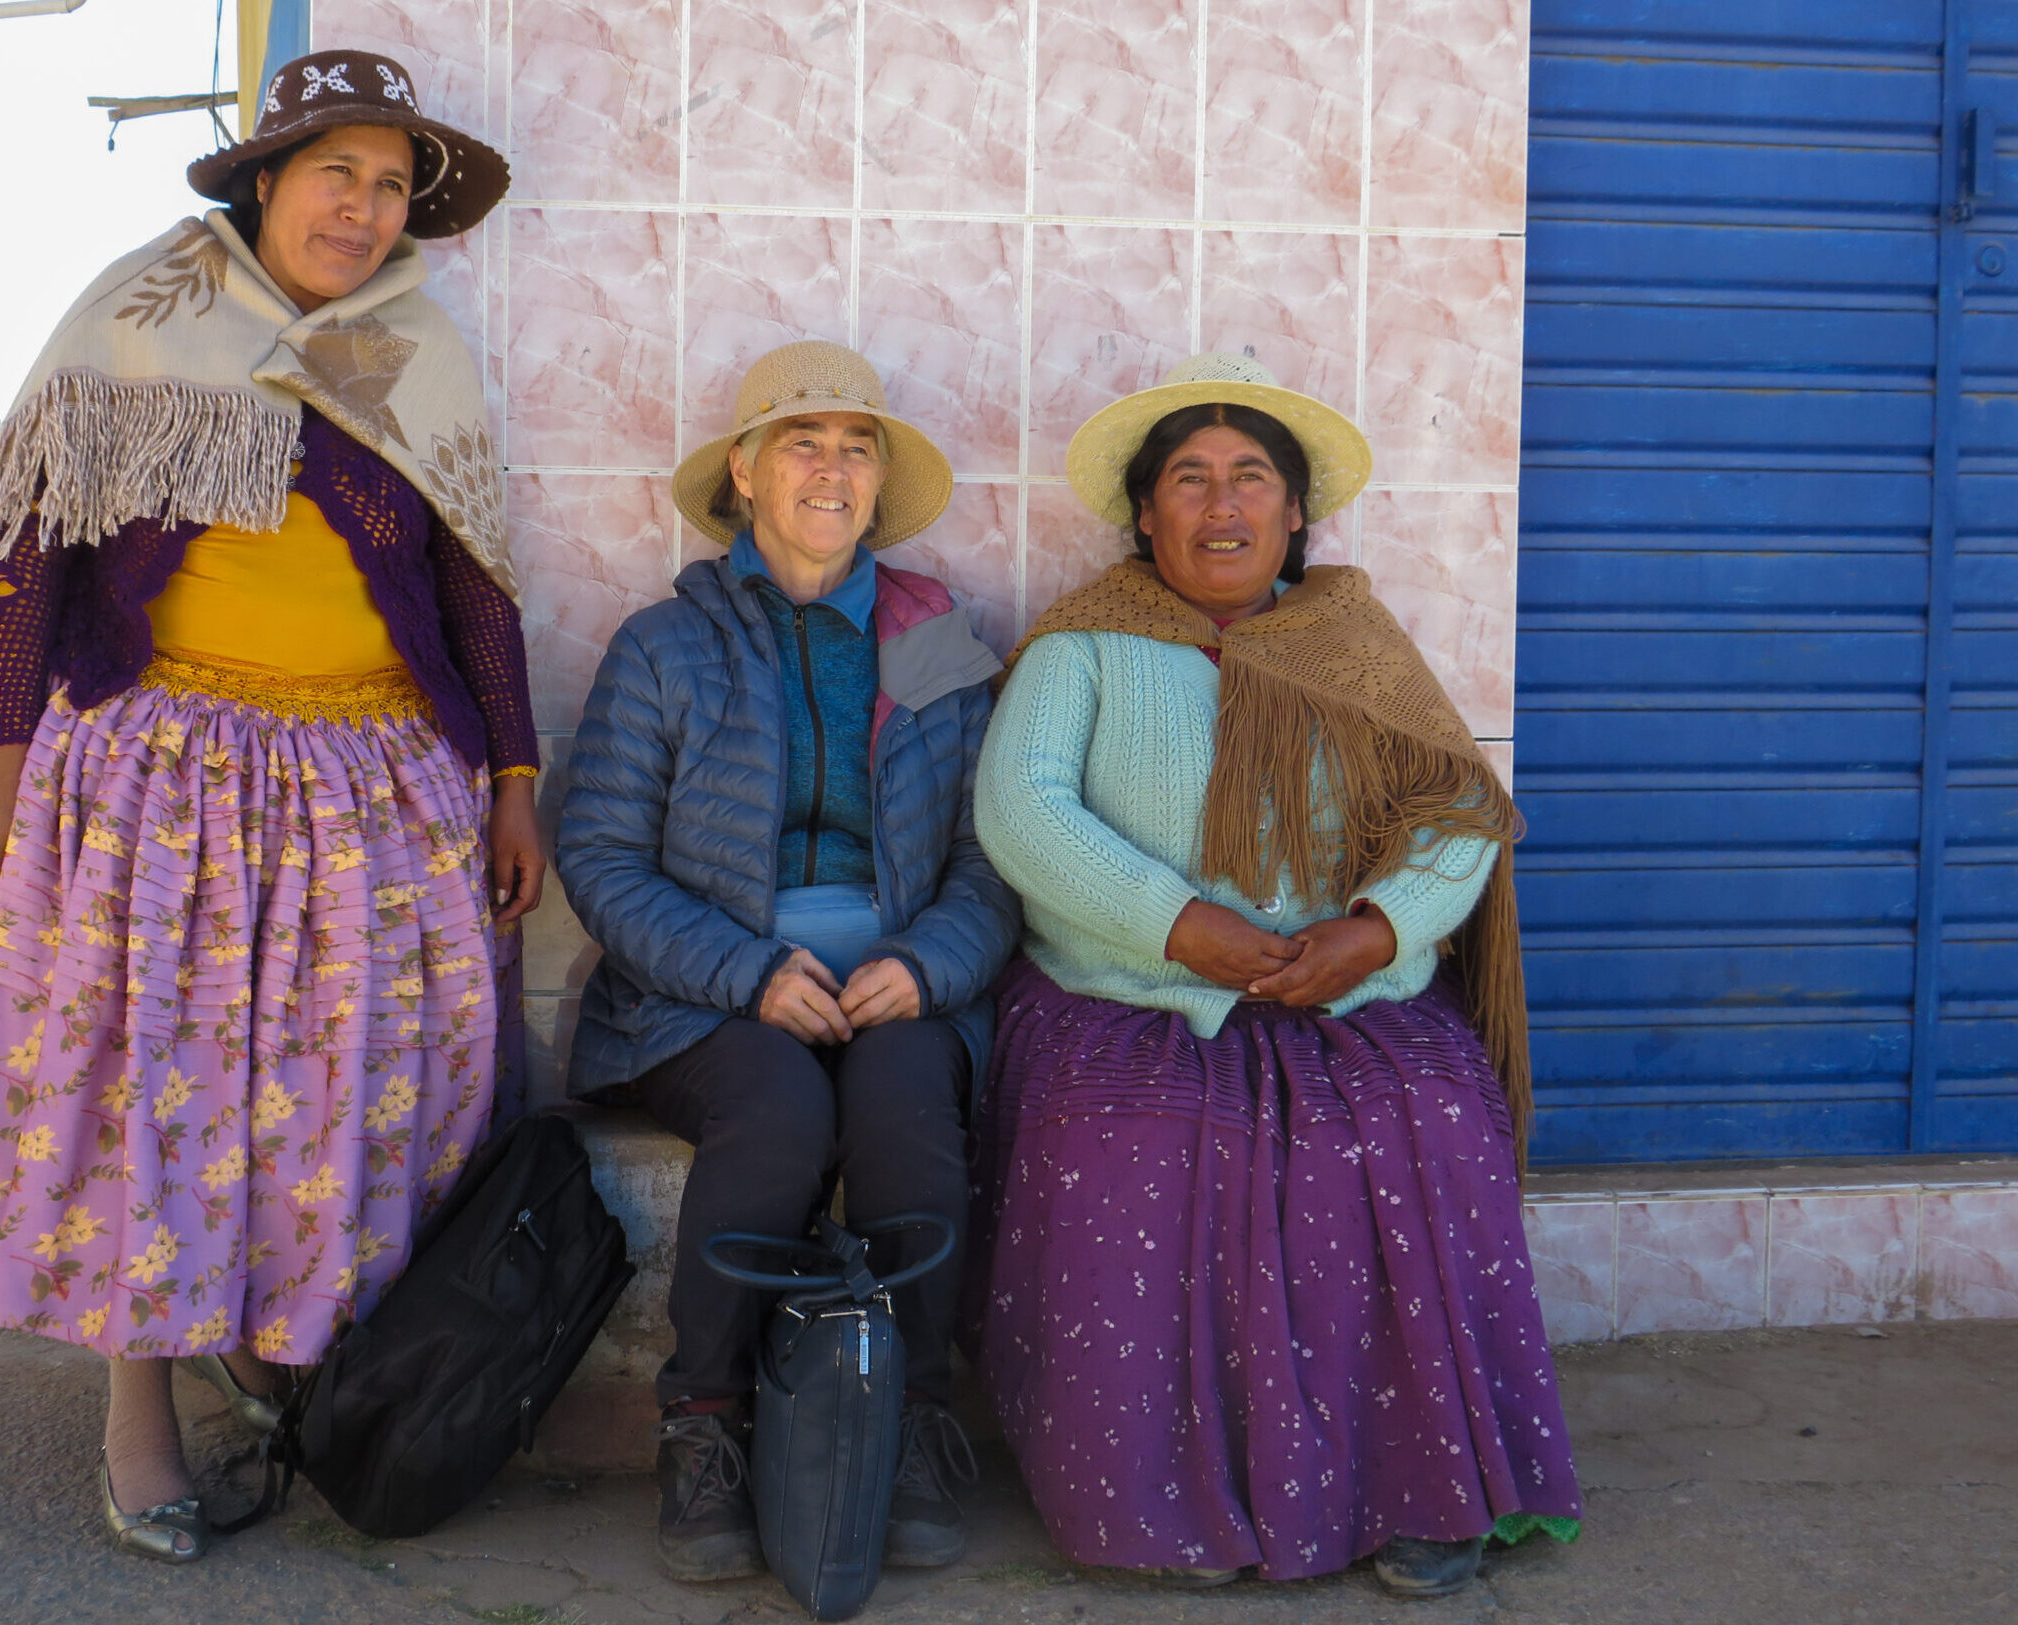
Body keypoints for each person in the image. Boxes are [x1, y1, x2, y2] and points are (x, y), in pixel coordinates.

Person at [0, 50, 541, 1566]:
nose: (364, 212)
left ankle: (285, 1345)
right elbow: (25, 544)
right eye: (339, 176)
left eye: (391, 189)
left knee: (340, 1091)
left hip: (374, 787)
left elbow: (476, 583)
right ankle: (139, 1417)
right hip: (158, 780)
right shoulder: (139, 318)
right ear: (266, 177)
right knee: (146, 1094)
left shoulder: (413, 349)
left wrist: (513, 778)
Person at [969, 353, 1582, 1597]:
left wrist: (1376, 928)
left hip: (1337, 985)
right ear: (1144, 514)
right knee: (1145, 1141)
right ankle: (1168, 1498)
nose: (1221, 501)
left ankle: (1426, 1488)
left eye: (1251, 476)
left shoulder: (1351, 642)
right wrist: (1177, 921)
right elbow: (1020, 811)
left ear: (1296, 513)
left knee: (1425, 1116)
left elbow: (1455, 809)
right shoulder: (1082, 646)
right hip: (1127, 989)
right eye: (1188, 479)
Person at [557, 342, 1020, 1582]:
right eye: (802, 444)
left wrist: (928, 964)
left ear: (877, 485)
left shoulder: (932, 642)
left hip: (905, 985)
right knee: (772, 1109)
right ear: (746, 477)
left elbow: (994, 855)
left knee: (906, 1104)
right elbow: (599, 855)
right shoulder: (666, 645)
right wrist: (746, 970)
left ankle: (913, 1414)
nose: (832, 469)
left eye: (855, 447)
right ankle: (702, 1422)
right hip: (700, 995)